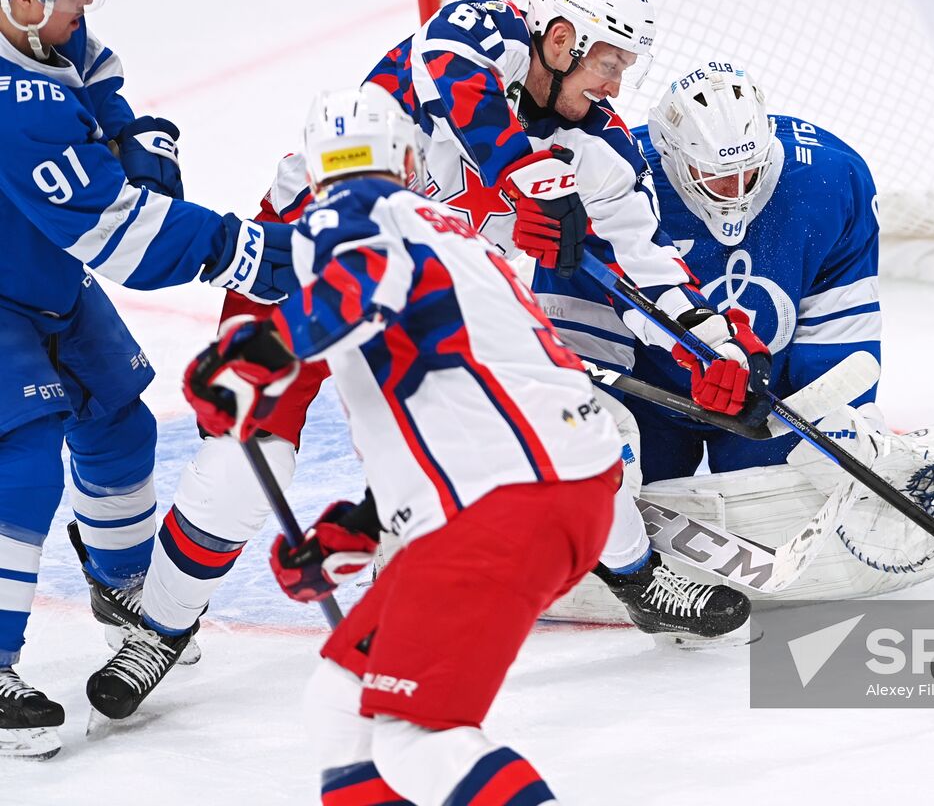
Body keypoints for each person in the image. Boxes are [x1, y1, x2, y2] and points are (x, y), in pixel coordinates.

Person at [130, 0, 754, 676]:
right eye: (609, 63)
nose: (616, 86)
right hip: (297, 262)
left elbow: (646, 266)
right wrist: (526, 176)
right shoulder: (478, 33)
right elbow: (453, 77)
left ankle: (636, 578)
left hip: (432, 298)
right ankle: (159, 628)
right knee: (244, 470)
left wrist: (711, 348)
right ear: (559, 40)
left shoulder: (601, 151)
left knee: (568, 424)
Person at [184, 83, 621, 805]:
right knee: (342, 706)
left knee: (419, 734)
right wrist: (364, 523)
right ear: (409, 155)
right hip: (551, 490)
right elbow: (458, 399)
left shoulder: (357, 214)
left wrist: (264, 349)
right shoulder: (453, 235)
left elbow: (364, 279)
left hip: (505, 504)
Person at [0, 0, 293, 756]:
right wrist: (231, 247)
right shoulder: (12, 109)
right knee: (21, 456)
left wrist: (138, 139)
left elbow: (100, 86)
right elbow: (115, 230)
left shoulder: (45, 29)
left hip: (42, 277)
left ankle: (122, 586)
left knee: (119, 419)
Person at [531, 59, 882, 483]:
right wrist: (599, 428)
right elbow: (580, 329)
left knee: (791, 503)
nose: (736, 192)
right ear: (672, 157)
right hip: (648, 394)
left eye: (748, 172)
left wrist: (839, 414)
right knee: (612, 492)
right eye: (716, 177)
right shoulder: (611, 180)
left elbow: (839, 320)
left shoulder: (830, 180)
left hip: (768, 395)